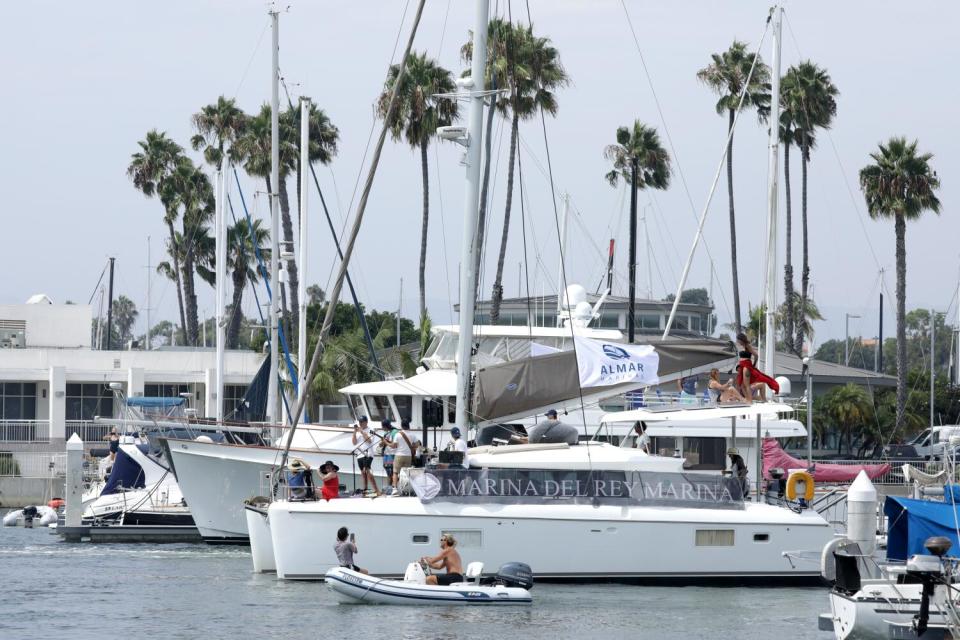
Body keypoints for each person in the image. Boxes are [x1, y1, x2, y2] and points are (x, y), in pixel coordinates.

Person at [735, 333, 779, 403]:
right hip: (742, 365)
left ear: (741, 339)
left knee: (746, 385)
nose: (737, 341)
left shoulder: (747, 346)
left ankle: (749, 400)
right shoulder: (740, 346)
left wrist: (753, 364)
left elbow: (756, 355)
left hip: (746, 365)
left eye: (738, 340)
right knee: (741, 385)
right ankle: (747, 399)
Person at [352, 417, 380, 496]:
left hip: (368, 454)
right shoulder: (358, 432)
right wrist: (354, 432)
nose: (360, 423)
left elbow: (369, 441)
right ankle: (365, 489)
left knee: (367, 470)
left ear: (366, 422)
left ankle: (376, 490)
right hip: (359, 454)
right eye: (360, 422)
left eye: (362, 422)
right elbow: (354, 442)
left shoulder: (370, 430)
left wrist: (362, 432)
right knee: (363, 472)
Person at [388, 419, 420, 486]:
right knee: (406, 473)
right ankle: (405, 488)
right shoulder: (412, 435)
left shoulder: (398, 434)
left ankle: (395, 489)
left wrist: (386, 443)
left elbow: (394, 446)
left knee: (395, 472)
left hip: (399, 455)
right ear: (408, 425)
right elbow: (417, 445)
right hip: (408, 456)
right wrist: (411, 446)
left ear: (402, 426)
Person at [379, 420, 397, 492]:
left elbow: (394, 443)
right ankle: (389, 487)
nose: (382, 428)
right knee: (387, 471)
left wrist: (385, 441)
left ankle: (392, 487)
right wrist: (382, 443)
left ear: (385, 426)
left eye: (382, 426)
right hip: (386, 454)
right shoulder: (386, 433)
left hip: (392, 454)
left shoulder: (394, 432)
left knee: (391, 471)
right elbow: (383, 443)